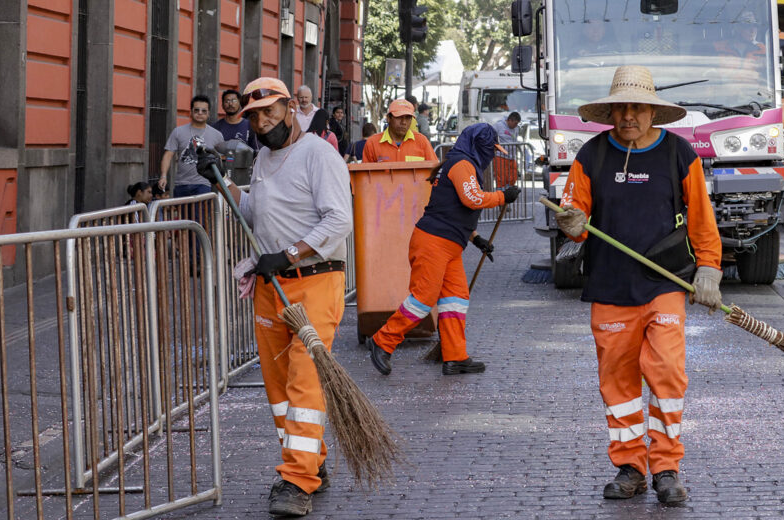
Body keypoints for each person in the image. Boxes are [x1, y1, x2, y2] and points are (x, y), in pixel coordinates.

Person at [553, 66, 721, 504]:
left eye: (638, 107)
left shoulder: (679, 155)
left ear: (652, 112)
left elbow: (702, 217)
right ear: (611, 111)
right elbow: (576, 219)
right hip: (610, 287)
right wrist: (571, 222)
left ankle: (666, 467)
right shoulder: (591, 156)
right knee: (618, 384)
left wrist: (709, 269)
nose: (629, 115)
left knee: (667, 373)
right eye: (621, 107)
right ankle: (630, 467)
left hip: (663, 283)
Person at [197, 76, 351, 517]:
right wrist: (220, 182)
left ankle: (296, 480)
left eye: (270, 111)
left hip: (313, 281)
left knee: (304, 379)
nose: (263, 122)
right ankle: (311, 462)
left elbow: (338, 220)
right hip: (272, 287)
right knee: (280, 387)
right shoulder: (265, 156)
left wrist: (287, 255)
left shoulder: (319, 154)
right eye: (255, 116)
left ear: (289, 107)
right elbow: (255, 211)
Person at [365, 123, 520, 376]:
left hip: (446, 244)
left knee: (456, 299)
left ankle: (455, 357)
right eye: (491, 150)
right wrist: (502, 196)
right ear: (480, 146)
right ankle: (382, 341)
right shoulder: (462, 165)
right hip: (433, 243)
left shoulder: (460, 163)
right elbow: (473, 199)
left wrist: (476, 238)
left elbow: (451, 209)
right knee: (423, 300)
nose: (492, 156)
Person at [158, 94, 225, 196]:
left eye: (204, 111)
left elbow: (222, 159)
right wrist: (163, 176)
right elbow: (168, 155)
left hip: (203, 184)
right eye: (196, 110)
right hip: (181, 184)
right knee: (182, 212)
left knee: (200, 212)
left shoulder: (217, 135)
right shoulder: (178, 132)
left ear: (208, 114)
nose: (200, 113)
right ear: (191, 112)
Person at [361, 99, 438, 163]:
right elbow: (365, 177)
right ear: (388, 118)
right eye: (399, 117)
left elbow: (434, 173)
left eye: (408, 118)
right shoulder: (372, 143)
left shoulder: (422, 142)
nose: (404, 122)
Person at [492, 112, 521, 186]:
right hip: (500, 156)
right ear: (509, 120)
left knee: (513, 177)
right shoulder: (499, 125)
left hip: (511, 157)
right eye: (515, 123)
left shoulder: (516, 128)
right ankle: (501, 194)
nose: (516, 125)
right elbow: (490, 135)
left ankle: (508, 193)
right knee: (501, 179)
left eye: (517, 124)